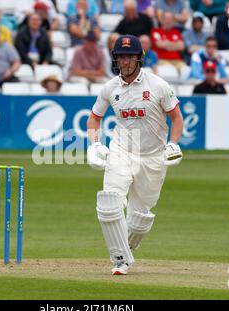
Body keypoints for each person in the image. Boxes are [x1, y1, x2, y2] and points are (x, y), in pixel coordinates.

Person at [86, 34, 183, 275]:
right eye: (121, 57)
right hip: (121, 150)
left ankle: (125, 252)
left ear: (139, 58)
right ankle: (119, 260)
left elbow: (176, 118)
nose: (126, 62)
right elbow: (94, 118)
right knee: (109, 201)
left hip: (152, 157)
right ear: (115, 60)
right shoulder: (110, 88)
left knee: (140, 218)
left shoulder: (159, 85)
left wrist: (173, 144)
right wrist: (96, 144)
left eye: (130, 57)